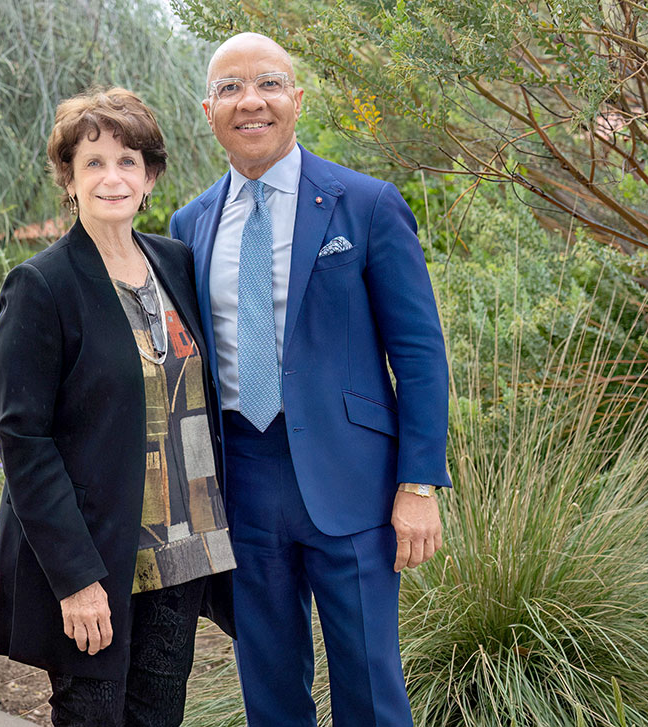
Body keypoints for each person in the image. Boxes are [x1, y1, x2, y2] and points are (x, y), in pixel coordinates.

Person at [169, 34, 451, 726]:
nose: (250, 101)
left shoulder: (367, 205)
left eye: (267, 83)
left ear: (296, 99)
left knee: (370, 686)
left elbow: (418, 352)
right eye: (230, 88)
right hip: (244, 481)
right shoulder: (190, 224)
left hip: (353, 483)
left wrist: (419, 484)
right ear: (209, 110)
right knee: (269, 689)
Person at [0, 87, 236, 727]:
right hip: (98, 556)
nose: (112, 177)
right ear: (68, 179)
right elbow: (24, 439)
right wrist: (75, 579)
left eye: (128, 160)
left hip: (184, 546)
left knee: (159, 717)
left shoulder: (176, 263)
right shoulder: (42, 284)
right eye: (93, 162)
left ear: (150, 175)